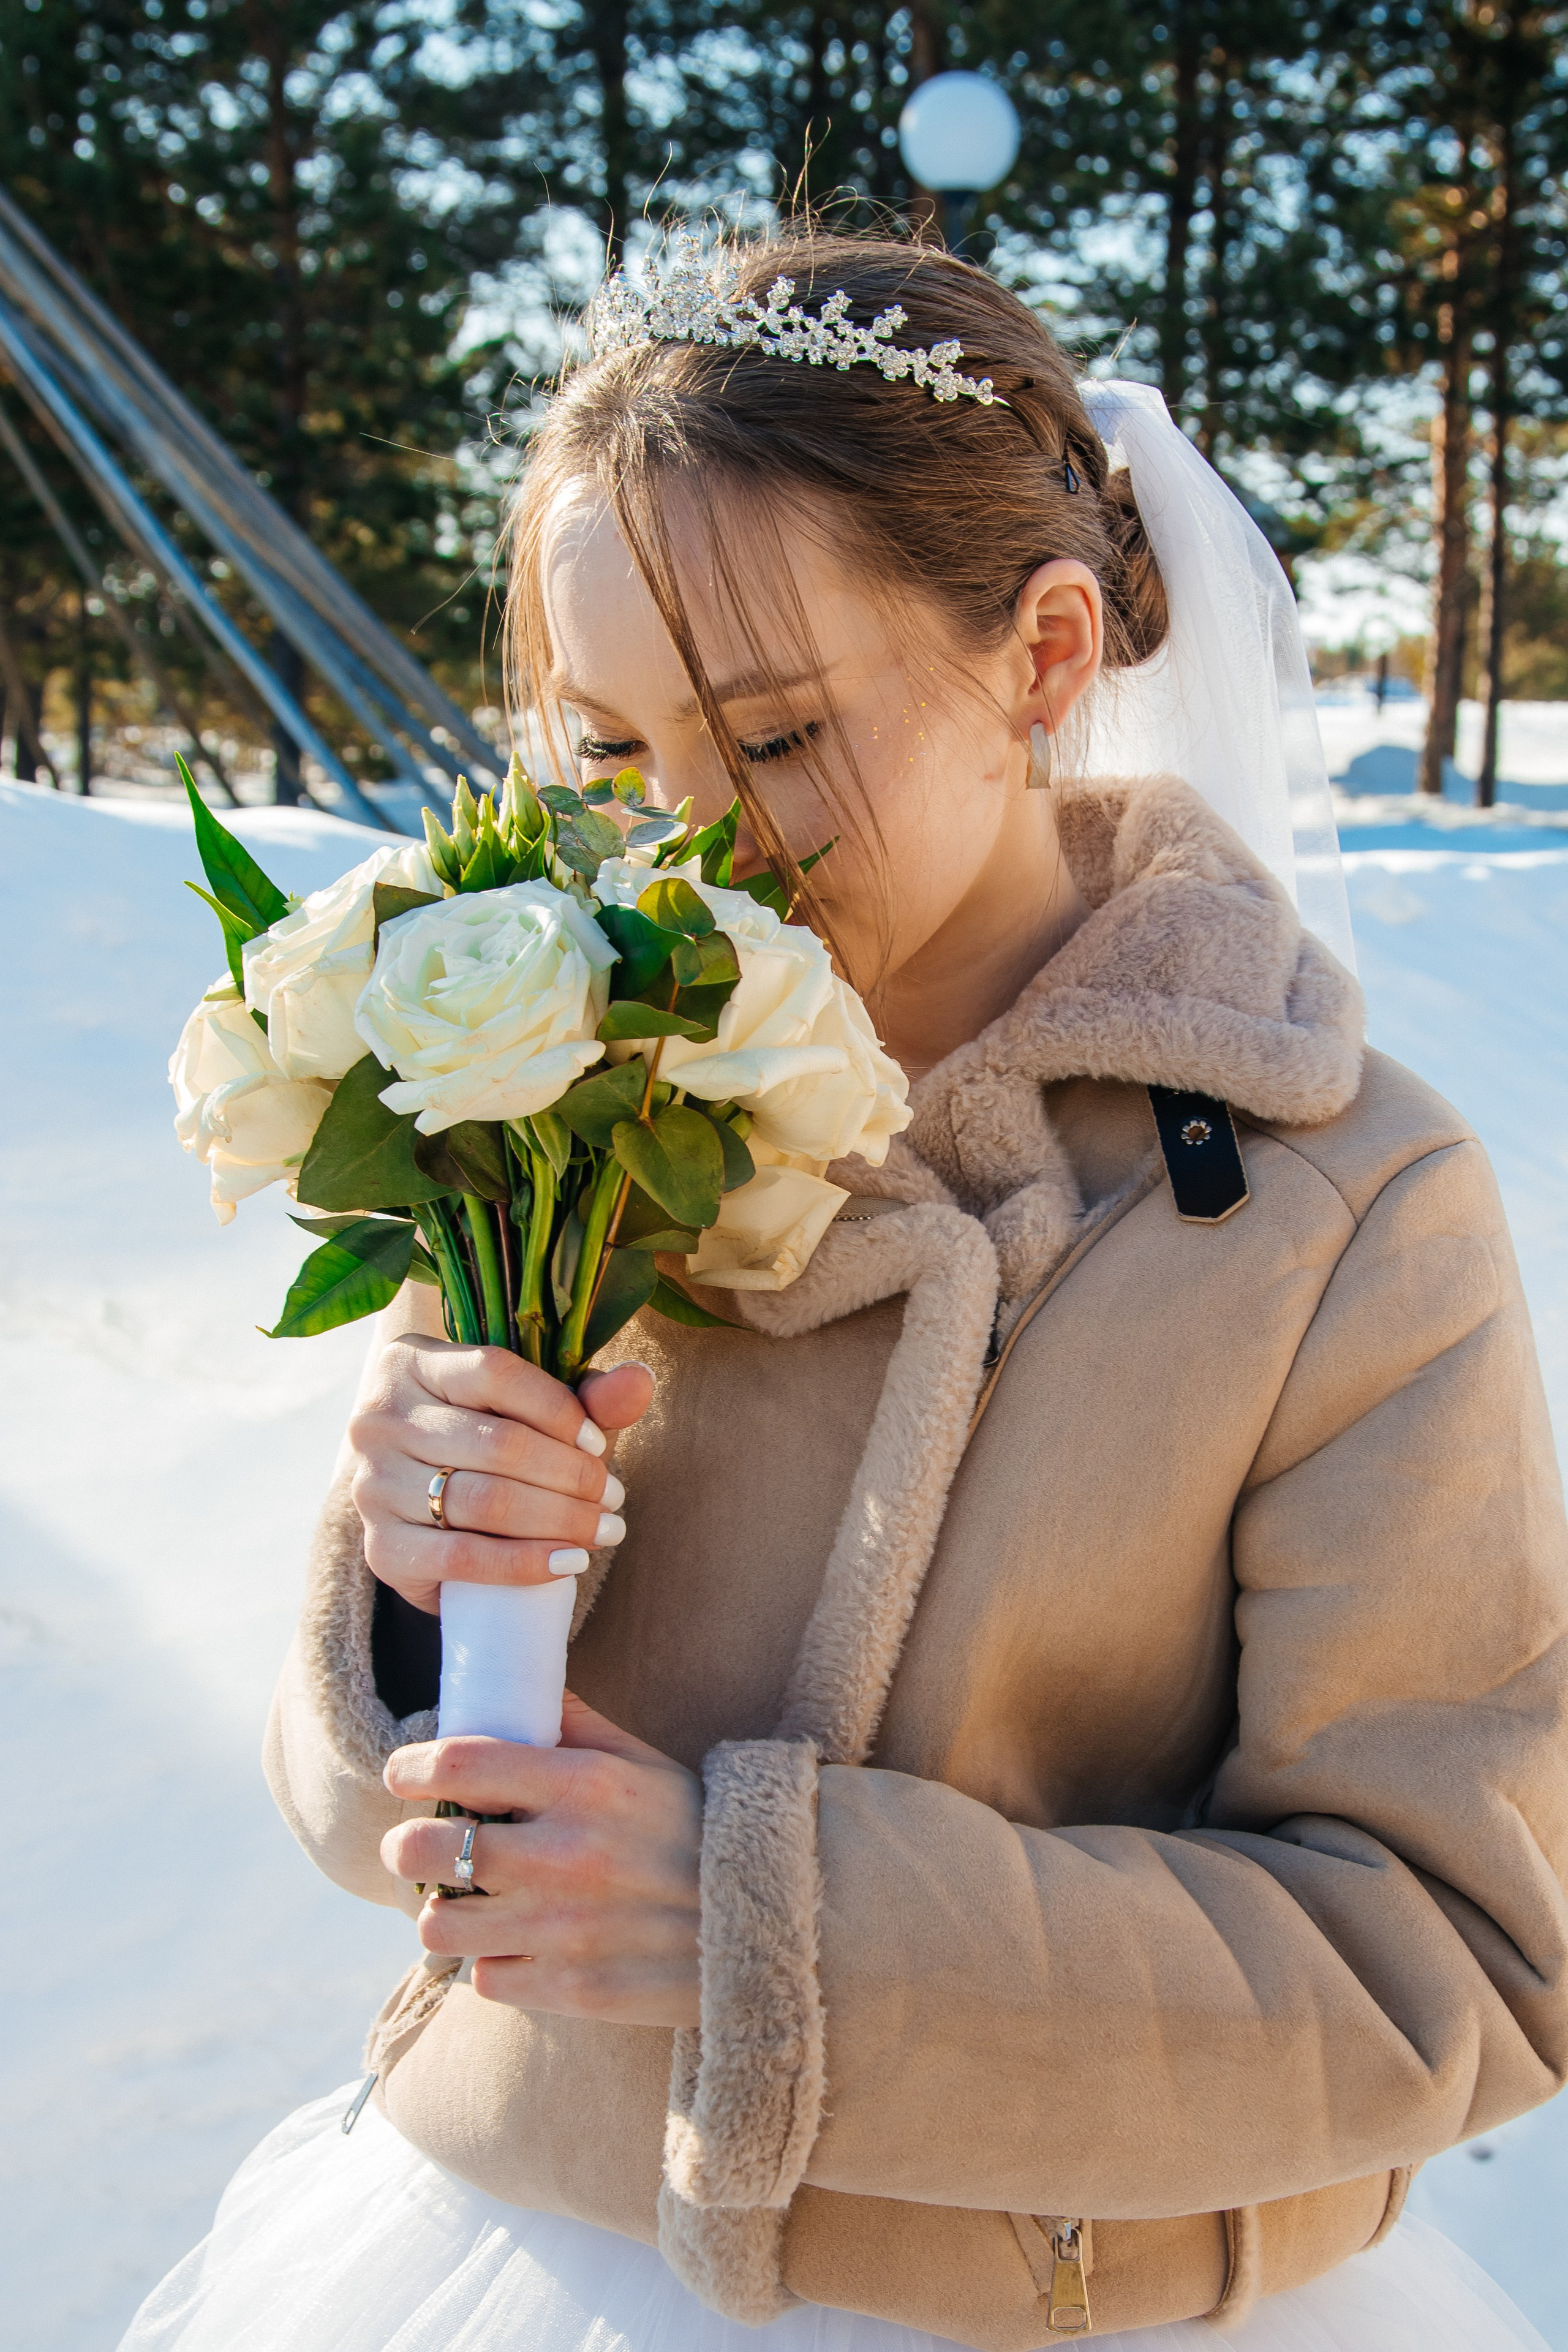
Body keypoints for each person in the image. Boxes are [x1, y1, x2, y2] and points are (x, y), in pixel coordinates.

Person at [122, 228, 1567, 2352]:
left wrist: (752, 1915)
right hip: (519, 2245)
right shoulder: (551, 1074)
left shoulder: (1340, 1207)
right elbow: (381, 1806)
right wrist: (426, 1598)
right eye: (612, 760)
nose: (684, 862)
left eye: (778, 736)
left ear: (1048, 653)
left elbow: (1453, 1962)